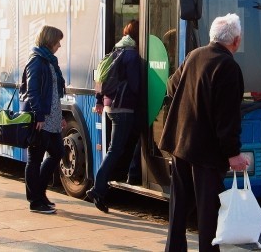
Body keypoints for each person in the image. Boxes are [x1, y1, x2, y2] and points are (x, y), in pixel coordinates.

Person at [158, 13, 249, 251]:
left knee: (179, 206)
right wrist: (233, 154)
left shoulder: (194, 55)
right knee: (208, 212)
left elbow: (171, 85)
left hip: (181, 143)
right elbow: (227, 118)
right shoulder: (228, 66)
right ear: (236, 41)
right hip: (206, 152)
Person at [86, 19, 141, 213]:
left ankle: (129, 176)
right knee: (115, 150)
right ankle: (98, 189)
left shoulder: (114, 52)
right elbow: (135, 85)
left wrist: (100, 100)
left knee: (129, 141)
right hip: (123, 107)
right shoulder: (132, 56)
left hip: (110, 106)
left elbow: (99, 79)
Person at [19, 25, 67, 214]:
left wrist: (60, 115)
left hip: (52, 119)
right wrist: (38, 115)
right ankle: (35, 201)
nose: (59, 46)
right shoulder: (37, 61)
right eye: (58, 42)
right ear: (49, 41)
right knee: (35, 159)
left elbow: (54, 93)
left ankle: (40, 193)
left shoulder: (49, 61)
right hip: (41, 119)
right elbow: (32, 91)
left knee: (57, 153)